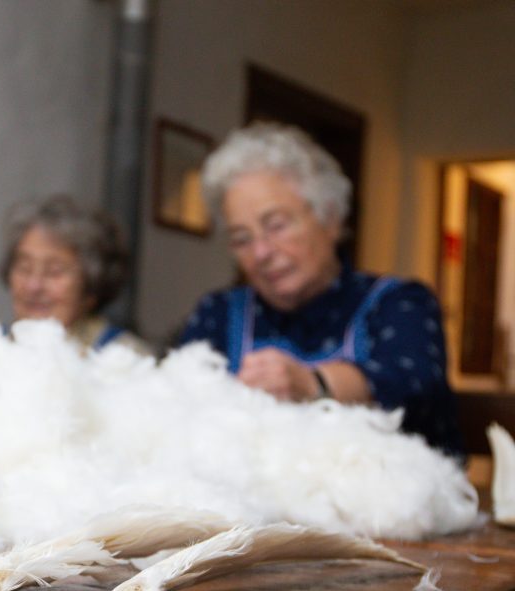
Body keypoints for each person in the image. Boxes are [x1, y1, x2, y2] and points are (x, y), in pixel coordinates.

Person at [178, 122, 463, 458]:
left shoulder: (399, 303)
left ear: (330, 218)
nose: (261, 252)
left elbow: (413, 388)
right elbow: (177, 405)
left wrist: (313, 385)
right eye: (242, 239)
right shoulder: (219, 313)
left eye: (276, 225)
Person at [0, 194, 150, 355]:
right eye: (24, 268)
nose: (33, 286)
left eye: (54, 271)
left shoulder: (124, 357)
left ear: (92, 286)